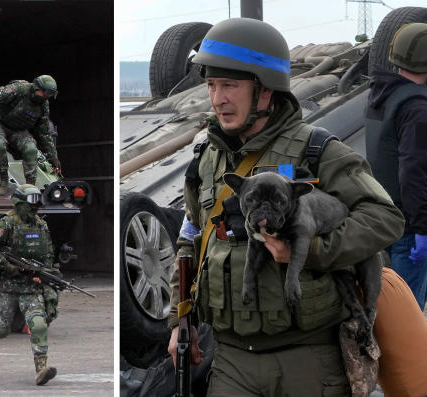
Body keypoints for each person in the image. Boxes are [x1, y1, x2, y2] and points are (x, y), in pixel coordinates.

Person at [166, 18, 404, 396]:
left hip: (309, 361)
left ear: (265, 91)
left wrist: (313, 250)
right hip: (231, 362)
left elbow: (385, 218)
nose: (217, 98)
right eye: (211, 85)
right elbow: (190, 238)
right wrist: (181, 320)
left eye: (230, 85)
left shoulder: (318, 151)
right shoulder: (206, 160)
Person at [365, 22, 427, 310]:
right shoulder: (416, 107)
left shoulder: (381, 94)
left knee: (390, 312)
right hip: (412, 230)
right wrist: (423, 228)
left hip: (387, 220)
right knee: (408, 318)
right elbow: (414, 171)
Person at [0, 184, 61, 385]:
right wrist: (8, 265)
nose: (35, 208)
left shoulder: (41, 226)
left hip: (30, 287)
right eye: (31, 204)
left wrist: (47, 280)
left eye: (38, 204)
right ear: (20, 203)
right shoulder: (7, 224)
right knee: (1, 328)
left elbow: (48, 257)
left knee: (38, 324)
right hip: (6, 286)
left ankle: (41, 369)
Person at [0, 76, 61, 195]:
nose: (46, 97)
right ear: (36, 87)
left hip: (18, 130)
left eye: (49, 95)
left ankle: (30, 186)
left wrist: (54, 158)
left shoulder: (43, 105)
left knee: (31, 149)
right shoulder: (20, 89)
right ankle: (3, 179)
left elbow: (44, 133)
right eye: (45, 93)